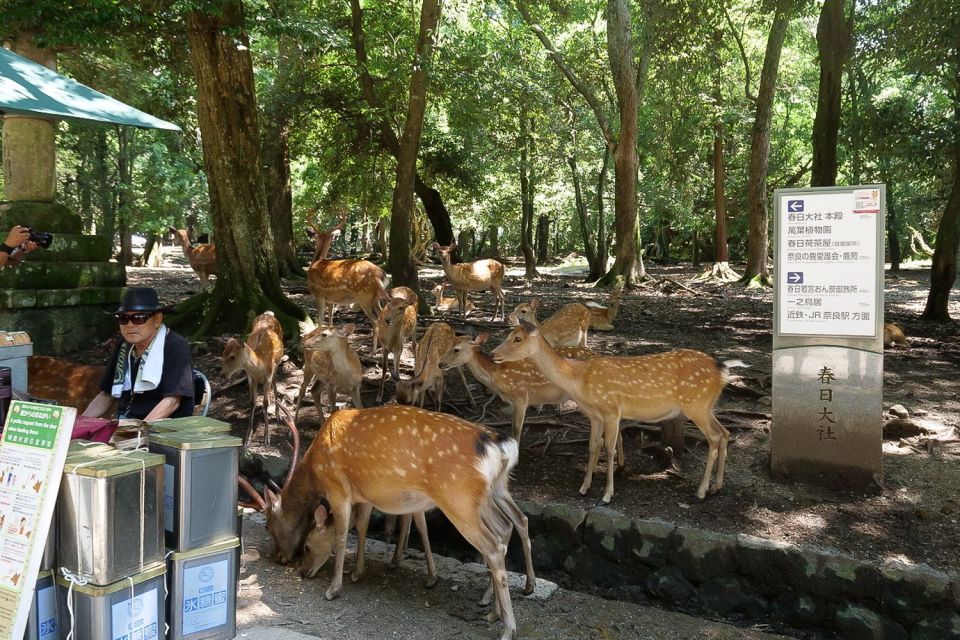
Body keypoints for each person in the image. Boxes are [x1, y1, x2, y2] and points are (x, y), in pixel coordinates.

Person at [83, 287, 194, 421]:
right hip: (125, 422)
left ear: (157, 319)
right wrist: (80, 423)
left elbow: (172, 401)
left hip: (163, 427)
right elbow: (107, 394)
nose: (129, 325)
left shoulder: (175, 345)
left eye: (139, 318)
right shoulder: (124, 345)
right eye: (123, 318)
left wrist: (138, 430)